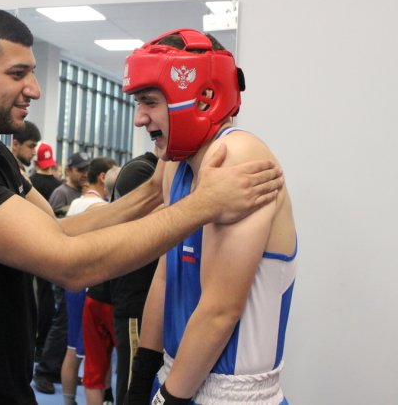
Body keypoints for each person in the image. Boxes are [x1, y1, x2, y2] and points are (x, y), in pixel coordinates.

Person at [0, 6, 283, 404]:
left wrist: (152, 192)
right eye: (18, 74)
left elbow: (58, 229)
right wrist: (204, 204)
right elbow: (70, 264)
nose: (35, 89)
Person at [122, 29, 297, 405]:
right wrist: (143, 377)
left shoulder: (239, 156)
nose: (139, 119)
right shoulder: (175, 167)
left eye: (150, 102)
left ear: (202, 97)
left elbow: (220, 310)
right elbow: (165, 275)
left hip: (232, 396)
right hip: (174, 377)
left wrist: (169, 399)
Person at [60, 157, 117, 405]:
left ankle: (69, 401)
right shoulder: (101, 207)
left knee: (73, 349)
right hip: (90, 287)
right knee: (96, 354)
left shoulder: (76, 203)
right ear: (104, 177)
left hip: (72, 284)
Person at [33, 150, 90, 394]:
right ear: (68, 170)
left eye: (86, 169)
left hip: (75, 264)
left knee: (67, 321)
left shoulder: (81, 194)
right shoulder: (61, 193)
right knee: (62, 320)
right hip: (59, 264)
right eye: (80, 169)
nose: (84, 174)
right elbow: (51, 228)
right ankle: (45, 371)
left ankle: (55, 368)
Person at [108, 151, 160, 405]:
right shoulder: (140, 171)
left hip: (145, 297)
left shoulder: (144, 169)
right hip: (134, 299)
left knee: (141, 382)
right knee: (132, 385)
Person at [29, 142, 62, 361]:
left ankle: (38, 343)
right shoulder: (59, 186)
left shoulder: (29, 183)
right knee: (50, 298)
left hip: (30, 244)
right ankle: (44, 345)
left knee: (37, 295)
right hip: (53, 245)